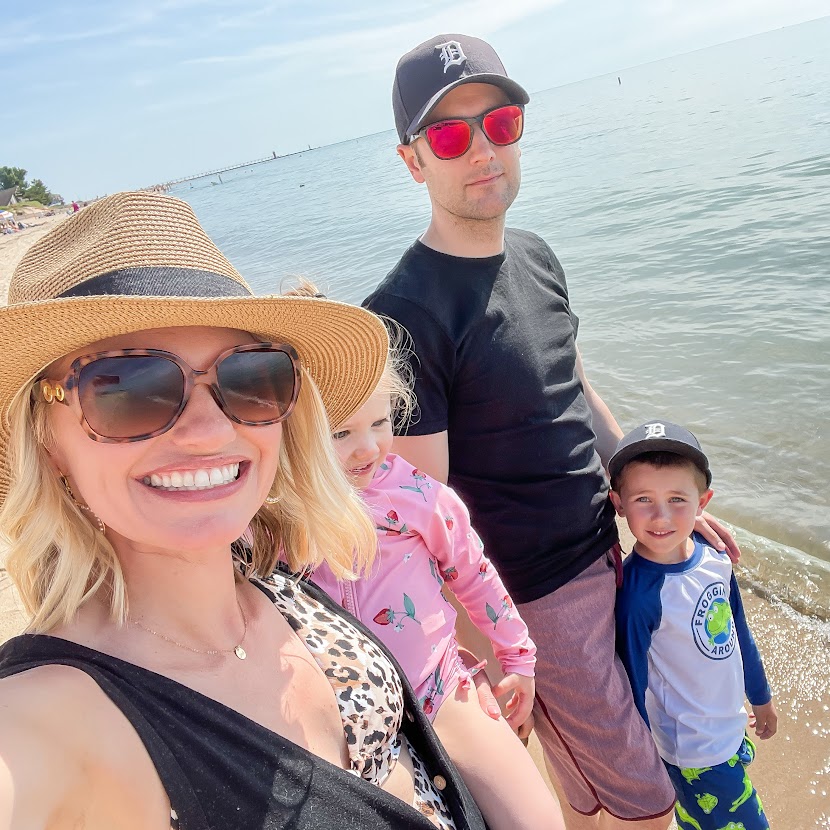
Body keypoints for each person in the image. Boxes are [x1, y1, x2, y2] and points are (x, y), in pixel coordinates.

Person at [0, 191, 488, 830]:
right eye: (130, 389)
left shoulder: (279, 590)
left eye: (250, 378)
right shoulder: (53, 716)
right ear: (47, 441)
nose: (209, 431)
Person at [364, 33, 741, 829]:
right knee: (647, 801)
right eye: (449, 135)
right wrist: (492, 657)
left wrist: (654, 498)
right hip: (538, 597)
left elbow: (572, 385)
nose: (480, 151)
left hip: (613, 555)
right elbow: (420, 517)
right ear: (412, 161)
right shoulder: (401, 317)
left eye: (497, 124)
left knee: (614, 775)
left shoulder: (534, 254)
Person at [309, 342, 565, 830]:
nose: (368, 447)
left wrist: (517, 657)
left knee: (536, 820)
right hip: (341, 707)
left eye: (380, 424)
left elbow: (474, 575)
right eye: (340, 432)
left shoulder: (418, 498)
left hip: (436, 684)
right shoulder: (281, 514)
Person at [610, 421, 776, 830]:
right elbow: (632, 683)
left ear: (704, 502)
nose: (661, 516)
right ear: (618, 503)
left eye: (678, 499)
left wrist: (760, 695)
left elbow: (738, 630)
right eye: (643, 499)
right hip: (693, 752)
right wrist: (643, 762)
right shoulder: (638, 595)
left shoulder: (714, 556)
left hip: (730, 724)